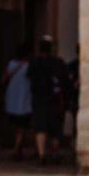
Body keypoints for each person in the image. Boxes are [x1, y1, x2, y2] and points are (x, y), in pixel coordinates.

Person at [29, 36, 69, 165]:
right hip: (54, 99)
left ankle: (42, 155)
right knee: (55, 128)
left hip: (39, 98)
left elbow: (30, 79)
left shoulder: (34, 62)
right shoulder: (58, 62)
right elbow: (64, 81)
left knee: (40, 127)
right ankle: (55, 153)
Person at [2, 48, 33, 159]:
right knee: (22, 126)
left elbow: (5, 77)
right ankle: (17, 148)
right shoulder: (28, 65)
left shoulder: (11, 64)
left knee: (15, 125)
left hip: (12, 98)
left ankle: (16, 147)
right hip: (24, 99)